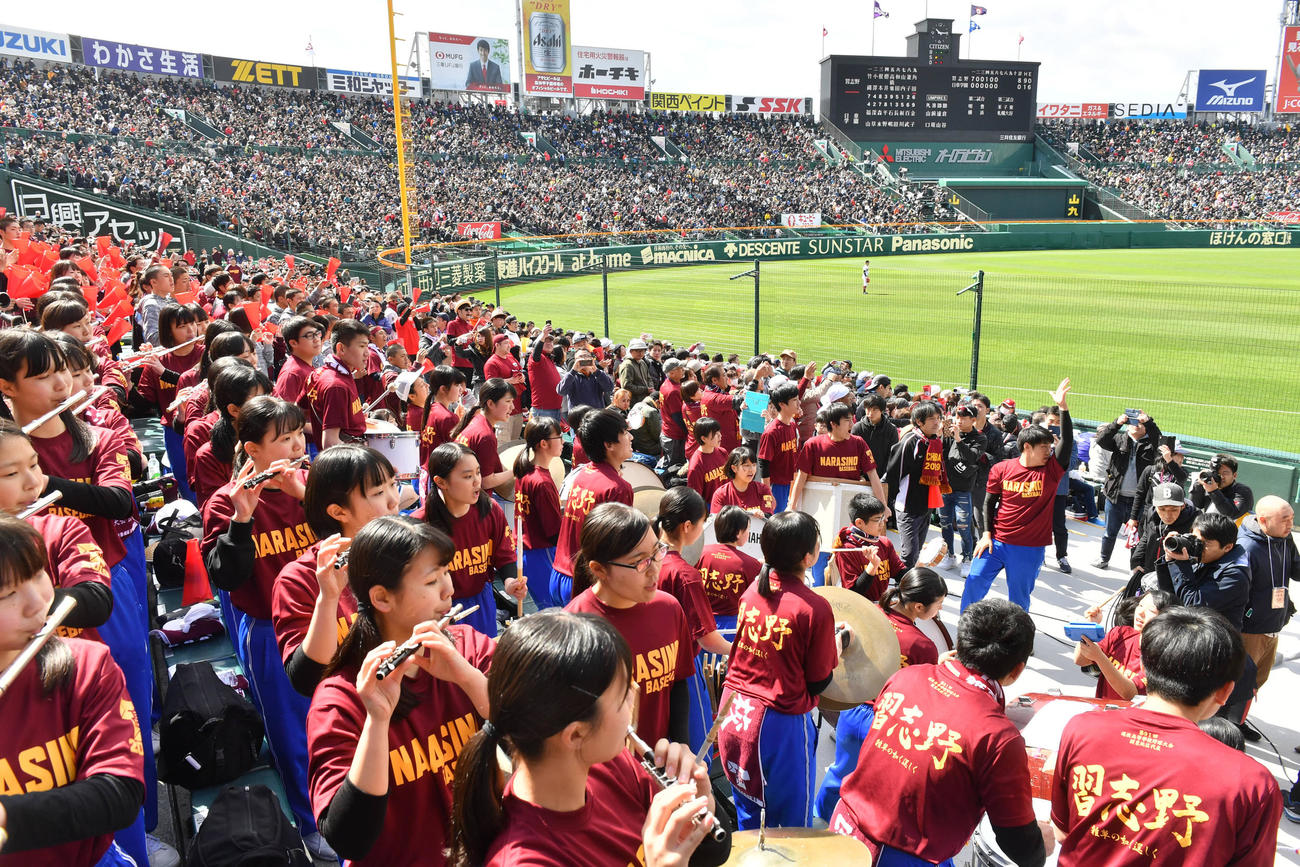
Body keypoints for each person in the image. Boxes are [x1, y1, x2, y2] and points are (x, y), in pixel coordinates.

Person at [448, 611, 731, 867]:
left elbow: (710, 855)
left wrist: (702, 805)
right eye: (622, 697)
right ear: (577, 734)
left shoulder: (611, 764)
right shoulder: (525, 860)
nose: (634, 697)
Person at [307, 516, 494, 866]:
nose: (448, 591)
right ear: (381, 598)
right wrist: (377, 721)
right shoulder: (340, 700)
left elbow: (533, 731)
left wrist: (467, 678)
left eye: (446, 574)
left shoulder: (467, 647)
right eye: (431, 580)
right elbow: (349, 838)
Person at [200, 396, 334, 860]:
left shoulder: (316, 484)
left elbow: (362, 533)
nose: (298, 445)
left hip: (335, 619)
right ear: (251, 448)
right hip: (271, 632)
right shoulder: (228, 500)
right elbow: (226, 577)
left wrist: (305, 496)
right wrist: (241, 520)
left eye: (299, 433)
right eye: (283, 439)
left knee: (345, 717)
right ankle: (311, 819)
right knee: (293, 732)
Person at [1050, 607, 1281, 865]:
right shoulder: (1251, 785)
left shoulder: (1083, 729)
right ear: (1225, 692)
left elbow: (1063, 831)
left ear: (1145, 667)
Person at [831, 600, 1050, 867]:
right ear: (1016, 670)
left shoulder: (906, 677)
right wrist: (1042, 845)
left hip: (844, 827)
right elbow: (1017, 840)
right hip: (902, 853)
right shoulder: (998, 737)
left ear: (961, 645)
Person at [0, 518, 146, 866]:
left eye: (38, 574)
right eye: (6, 594)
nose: (39, 604)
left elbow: (121, 792)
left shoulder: (86, 668)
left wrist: (9, 818)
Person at [719, 510, 848, 830]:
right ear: (809, 556)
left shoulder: (752, 592)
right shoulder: (814, 607)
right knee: (791, 827)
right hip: (777, 723)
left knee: (747, 813)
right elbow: (819, 682)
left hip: (734, 711)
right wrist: (838, 647)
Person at [815, 566, 948, 821]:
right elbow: (919, 690)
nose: (939, 610)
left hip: (851, 710)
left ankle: (818, 822)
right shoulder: (923, 645)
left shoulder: (869, 615)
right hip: (885, 719)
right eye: (938, 604)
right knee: (876, 787)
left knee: (838, 774)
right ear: (918, 607)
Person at [271, 445, 401, 696]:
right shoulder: (298, 579)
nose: (394, 500)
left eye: (393, 485)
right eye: (378, 492)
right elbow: (305, 680)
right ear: (338, 512)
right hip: (349, 716)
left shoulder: (402, 552)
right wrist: (328, 599)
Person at [564, 503, 694, 747]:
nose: (655, 569)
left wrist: (679, 748)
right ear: (599, 569)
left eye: (657, 552)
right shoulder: (576, 628)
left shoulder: (669, 609)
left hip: (659, 764)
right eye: (640, 562)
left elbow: (677, 684)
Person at [961, 379, 1073, 612]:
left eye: (1050, 448)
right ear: (1027, 447)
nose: (1049, 452)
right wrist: (985, 534)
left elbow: (1068, 443)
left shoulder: (1051, 471)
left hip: (1028, 548)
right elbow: (989, 503)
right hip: (994, 542)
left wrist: (1063, 408)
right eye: (1044, 448)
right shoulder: (1002, 469)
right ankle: (965, 631)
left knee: (1019, 600)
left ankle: (1018, 642)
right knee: (974, 582)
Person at [654, 488, 732, 752]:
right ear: (688, 526)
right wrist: (740, 651)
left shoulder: (644, 560)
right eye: (702, 522)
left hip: (649, 664)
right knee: (695, 748)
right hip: (681, 667)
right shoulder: (684, 575)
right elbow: (707, 639)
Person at [419, 443, 524, 637]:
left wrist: (510, 583)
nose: (477, 481)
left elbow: (505, 555)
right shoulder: (420, 525)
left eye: (478, 473)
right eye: (468, 476)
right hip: (440, 610)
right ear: (441, 482)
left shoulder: (491, 510)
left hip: (481, 602)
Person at [549, 409, 634, 606]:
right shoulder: (617, 488)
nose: (630, 437)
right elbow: (618, 547)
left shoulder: (583, 473)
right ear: (609, 445)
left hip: (560, 573)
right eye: (624, 432)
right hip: (585, 583)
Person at [134, 303, 203, 501]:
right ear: (168, 331)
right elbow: (143, 403)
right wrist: (128, 384)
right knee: (184, 478)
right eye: (182, 327)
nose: (191, 330)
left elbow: (197, 385)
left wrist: (164, 373)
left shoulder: (205, 353)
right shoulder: (158, 360)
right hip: (175, 431)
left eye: (192, 324)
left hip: (204, 427)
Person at [1235, 495, 1297, 690]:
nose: (1290, 524)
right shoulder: (1247, 547)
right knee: (1239, 685)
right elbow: (1236, 593)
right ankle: (1227, 720)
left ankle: (1240, 717)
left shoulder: (1285, 539)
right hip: (1251, 631)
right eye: (1284, 519)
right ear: (1263, 520)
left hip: (1274, 624)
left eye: (1292, 518)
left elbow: (1297, 570)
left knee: (1256, 683)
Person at [1090, 411, 1162, 570]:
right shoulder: (1119, 439)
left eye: (1140, 423)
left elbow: (1162, 444)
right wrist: (1117, 423)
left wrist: (1149, 423)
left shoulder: (1151, 444)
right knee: (1110, 533)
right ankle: (1103, 558)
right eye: (1133, 422)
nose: (1136, 425)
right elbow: (1101, 440)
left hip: (1140, 501)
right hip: (1116, 497)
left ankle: (1135, 565)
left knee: (1137, 536)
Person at [191, 364, 271, 507]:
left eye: (269, 397)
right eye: (259, 401)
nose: (271, 406)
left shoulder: (277, 440)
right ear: (234, 410)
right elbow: (215, 510)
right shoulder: (207, 456)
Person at [1074, 590, 1173, 701]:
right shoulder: (1120, 633)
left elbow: (1130, 693)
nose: (1140, 613)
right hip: (1103, 712)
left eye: (1150, 610)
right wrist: (1089, 626)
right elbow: (1080, 660)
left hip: (1130, 717)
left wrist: (1099, 657)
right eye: (1140, 605)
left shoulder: (1163, 659)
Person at [886, 401, 948, 569]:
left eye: (938, 417)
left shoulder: (934, 441)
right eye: (931, 419)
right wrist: (886, 504)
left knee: (917, 551)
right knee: (909, 553)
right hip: (907, 506)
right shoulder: (911, 442)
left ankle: (910, 586)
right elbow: (893, 474)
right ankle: (903, 590)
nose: (937, 422)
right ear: (919, 422)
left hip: (926, 506)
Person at [513, 418, 563, 610]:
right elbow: (553, 532)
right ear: (543, 443)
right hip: (541, 553)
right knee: (555, 613)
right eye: (558, 437)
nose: (563, 441)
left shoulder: (526, 471)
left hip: (526, 552)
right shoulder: (541, 482)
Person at [300, 319, 369, 451]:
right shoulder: (337, 386)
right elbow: (331, 443)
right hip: (344, 464)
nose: (367, 353)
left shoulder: (318, 373)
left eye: (367, 346)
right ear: (341, 348)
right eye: (361, 346)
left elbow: (298, 413)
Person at [697, 506, 762, 633]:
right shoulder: (751, 564)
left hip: (700, 624)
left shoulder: (700, 553)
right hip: (731, 628)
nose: (749, 534)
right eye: (748, 529)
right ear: (738, 533)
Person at [939, 403, 986, 577]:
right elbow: (942, 454)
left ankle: (967, 559)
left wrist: (958, 439)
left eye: (964, 418)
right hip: (945, 487)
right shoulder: (949, 434)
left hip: (964, 490)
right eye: (957, 417)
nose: (959, 420)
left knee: (964, 525)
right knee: (945, 524)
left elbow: (972, 457)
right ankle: (949, 555)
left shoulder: (979, 438)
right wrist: (940, 435)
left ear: (973, 420)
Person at [833, 493, 907, 600]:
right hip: (859, 608)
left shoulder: (884, 543)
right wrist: (873, 566)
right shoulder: (847, 550)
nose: (882, 524)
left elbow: (900, 574)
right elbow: (853, 593)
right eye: (877, 519)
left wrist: (920, 565)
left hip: (880, 605)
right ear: (859, 523)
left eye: (882, 518)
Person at [451, 378, 516, 494]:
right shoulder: (485, 435)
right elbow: (486, 481)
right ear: (490, 403)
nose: (512, 407)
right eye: (508, 402)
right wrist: (516, 470)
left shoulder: (476, 420)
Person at [758, 381, 800, 512]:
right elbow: (764, 462)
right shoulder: (771, 431)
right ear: (782, 404)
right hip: (777, 487)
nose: (798, 403)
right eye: (794, 400)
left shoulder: (792, 426)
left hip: (791, 482)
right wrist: (767, 493)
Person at [1188, 453, 1254, 524]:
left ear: (1234, 475)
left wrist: (1214, 491)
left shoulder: (1242, 491)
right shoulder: (1208, 485)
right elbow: (1194, 507)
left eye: (1224, 473)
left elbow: (1231, 514)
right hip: (1208, 529)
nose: (1220, 477)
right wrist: (1198, 485)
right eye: (1216, 473)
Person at [483, 335, 526, 441]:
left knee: (514, 444)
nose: (509, 346)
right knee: (503, 445)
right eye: (506, 343)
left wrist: (522, 377)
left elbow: (520, 370)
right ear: (497, 345)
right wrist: (509, 381)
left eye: (509, 343)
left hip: (517, 407)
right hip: (502, 411)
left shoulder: (511, 358)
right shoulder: (492, 363)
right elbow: (491, 384)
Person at [710, 446, 775, 516]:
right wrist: (749, 514)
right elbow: (717, 522)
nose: (751, 469)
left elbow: (768, 516)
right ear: (734, 468)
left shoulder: (763, 490)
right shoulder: (720, 495)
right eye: (746, 465)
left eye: (754, 465)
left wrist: (761, 515)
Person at [273, 315, 323, 403]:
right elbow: (285, 412)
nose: (317, 339)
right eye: (310, 335)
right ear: (293, 343)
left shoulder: (304, 366)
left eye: (317, 334)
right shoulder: (292, 374)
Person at [685, 418, 728, 507]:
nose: (720, 436)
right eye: (715, 434)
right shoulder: (696, 466)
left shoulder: (722, 452)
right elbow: (696, 500)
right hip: (711, 509)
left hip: (727, 502)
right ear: (703, 438)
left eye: (719, 432)